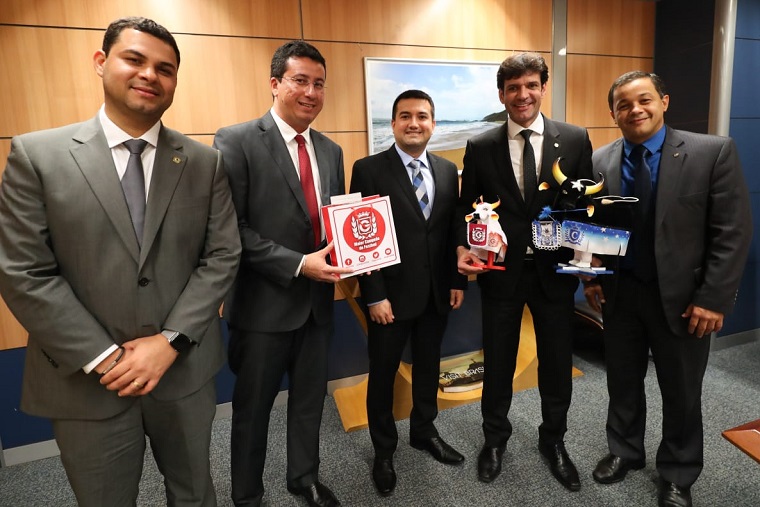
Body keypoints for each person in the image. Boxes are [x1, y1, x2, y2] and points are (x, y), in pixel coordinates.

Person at [0, 17, 241, 507]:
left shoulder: (204, 162)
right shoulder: (37, 156)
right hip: (86, 380)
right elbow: (24, 272)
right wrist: (106, 358)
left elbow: (222, 255)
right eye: (135, 59)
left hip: (183, 373)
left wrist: (170, 341)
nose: (150, 74)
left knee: (195, 494)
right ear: (101, 62)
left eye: (165, 69)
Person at [585, 71, 752, 507]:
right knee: (622, 382)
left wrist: (712, 299)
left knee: (681, 391)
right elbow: (596, 228)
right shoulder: (600, 160)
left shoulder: (711, 152)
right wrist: (593, 277)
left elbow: (731, 232)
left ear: (664, 101)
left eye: (644, 100)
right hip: (622, 295)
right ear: (613, 114)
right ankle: (625, 451)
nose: (634, 110)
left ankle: (678, 472)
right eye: (623, 105)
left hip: (684, 300)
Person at [214, 41, 351, 507]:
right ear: (275, 84)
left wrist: (355, 252)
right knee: (252, 411)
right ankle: (247, 495)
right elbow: (232, 229)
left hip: (316, 307)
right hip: (262, 307)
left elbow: (334, 222)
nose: (311, 92)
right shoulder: (236, 141)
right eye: (300, 81)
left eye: (319, 84)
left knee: (309, 401)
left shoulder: (331, 150)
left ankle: (303, 478)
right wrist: (298, 264)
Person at [457, 52, 593, 492]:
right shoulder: (481, 146)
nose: (523, 95)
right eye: (513, 87)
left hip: (555, 271)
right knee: (498, 362)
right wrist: (466, 245)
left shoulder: (574, 139)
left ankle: (554, 441)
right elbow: (467, 208)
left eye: (531, 85)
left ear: (542, 88)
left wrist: (588, 263)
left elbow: (585, 205)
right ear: (502, 94)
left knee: (556, 362)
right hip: (502, 272)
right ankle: (495, 439)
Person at [349, 90, 467, 497]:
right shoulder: (368, 169)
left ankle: (424, 430)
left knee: (429, 366)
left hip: (436, 294)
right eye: (405, 116)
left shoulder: (447, 170)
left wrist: (456, 281)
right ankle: (384, 451)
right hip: (389, 300)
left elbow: (451, 231)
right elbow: (360, 237)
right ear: (393, 124)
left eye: (422, 116)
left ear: (433, 123)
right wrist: (374, 295)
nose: (414, 123)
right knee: (382, 375)